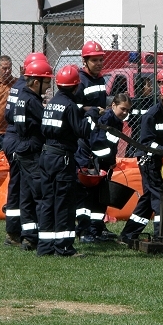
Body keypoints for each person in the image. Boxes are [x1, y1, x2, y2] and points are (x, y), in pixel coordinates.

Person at [38, 65, 100, 257]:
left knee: (48, 201)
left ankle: (45, 247)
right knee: (64, 202)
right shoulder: (70, 106)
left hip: (46, 156)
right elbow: (82, 131)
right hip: (62, 158)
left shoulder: (52, 104)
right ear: (76, 87)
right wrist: (92, 115)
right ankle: (64, 247)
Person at [119, 80, 163, 244]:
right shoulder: (151, 115)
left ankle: (128, 234)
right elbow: (146, 142)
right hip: (147, 159)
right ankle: (161, 235)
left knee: (148, 198)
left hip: (161, 156)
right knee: (158, 196)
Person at [1, 53, 46, 246]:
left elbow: (7, 114)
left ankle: (18, 231)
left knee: (20, 187)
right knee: (22, 188)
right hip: (20, 139)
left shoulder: (17, 87)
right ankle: (16, 232)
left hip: (14, 138)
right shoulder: (25, 92)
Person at [77, 94, 132, 242]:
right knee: (87, 200)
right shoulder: (105, 120)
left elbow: (111, 146)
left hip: (101, 164)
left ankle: (96, 229)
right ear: (113, 105)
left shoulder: (117, 122)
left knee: (99, 199)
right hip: (90, 163)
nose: (125, 113)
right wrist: (109, 160)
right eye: (123, 109)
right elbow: (98, 146)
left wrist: (110, 161)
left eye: (128, 110)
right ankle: (84, 232)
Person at [14, 60, 54, 251]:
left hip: (22, 150)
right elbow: (47, 122)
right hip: (32, 152)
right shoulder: (32, 100)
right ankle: (42, 237)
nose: (48, 87)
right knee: (40, 194)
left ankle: (28, 237)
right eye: (46, 83)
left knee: (26, 196)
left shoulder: (22, 96)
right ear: (35, 82)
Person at [74, 41, 107, 241]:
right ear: (85, 61)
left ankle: (97, 227)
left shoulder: (100, 80)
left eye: (101, 59)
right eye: (94, 60)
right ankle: (84, 229)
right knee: (84, 185)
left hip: (98, 136)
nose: (99, 63)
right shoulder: (80, 81)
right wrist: (94, 111)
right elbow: (75, 108)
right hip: (84, 139)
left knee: (99, 185)